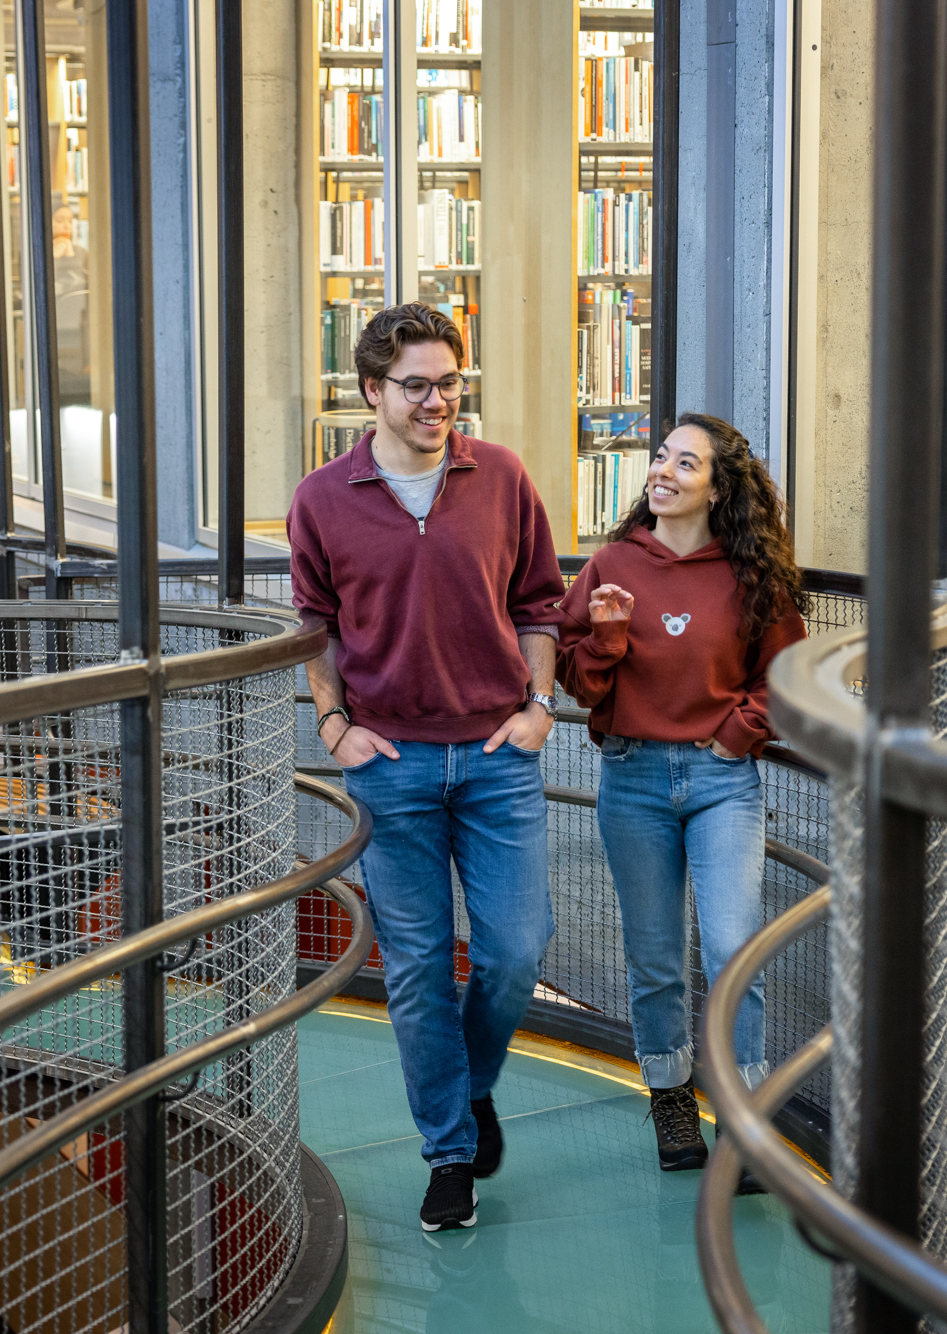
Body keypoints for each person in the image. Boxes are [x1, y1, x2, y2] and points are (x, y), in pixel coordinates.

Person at [289, 302, 565, 1232]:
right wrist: (333, 726)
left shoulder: (503, 478)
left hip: (496, 756)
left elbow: (541, 602)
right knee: (413, 968)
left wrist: (539, 705)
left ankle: (470, 1085)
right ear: (371, 390)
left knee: (515, 949)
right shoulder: (323, 498)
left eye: (450, 382)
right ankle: (449, 1154)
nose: (438, 401)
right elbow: (314, 626)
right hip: (388, 762)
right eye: (417, 385)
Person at [555, 412, 809, 1178]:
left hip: (721, 784)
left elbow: (785, 679)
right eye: (660, 456)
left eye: (684, 463)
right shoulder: (610, 566)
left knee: (734, 951)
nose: (662, 470)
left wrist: (738, 733)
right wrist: (603, 642)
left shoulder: (750, 573)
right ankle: (669, 1092)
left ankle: (744, 1114)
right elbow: (573, 677)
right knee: (656, 958)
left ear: (717, 487)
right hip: (630, 778)